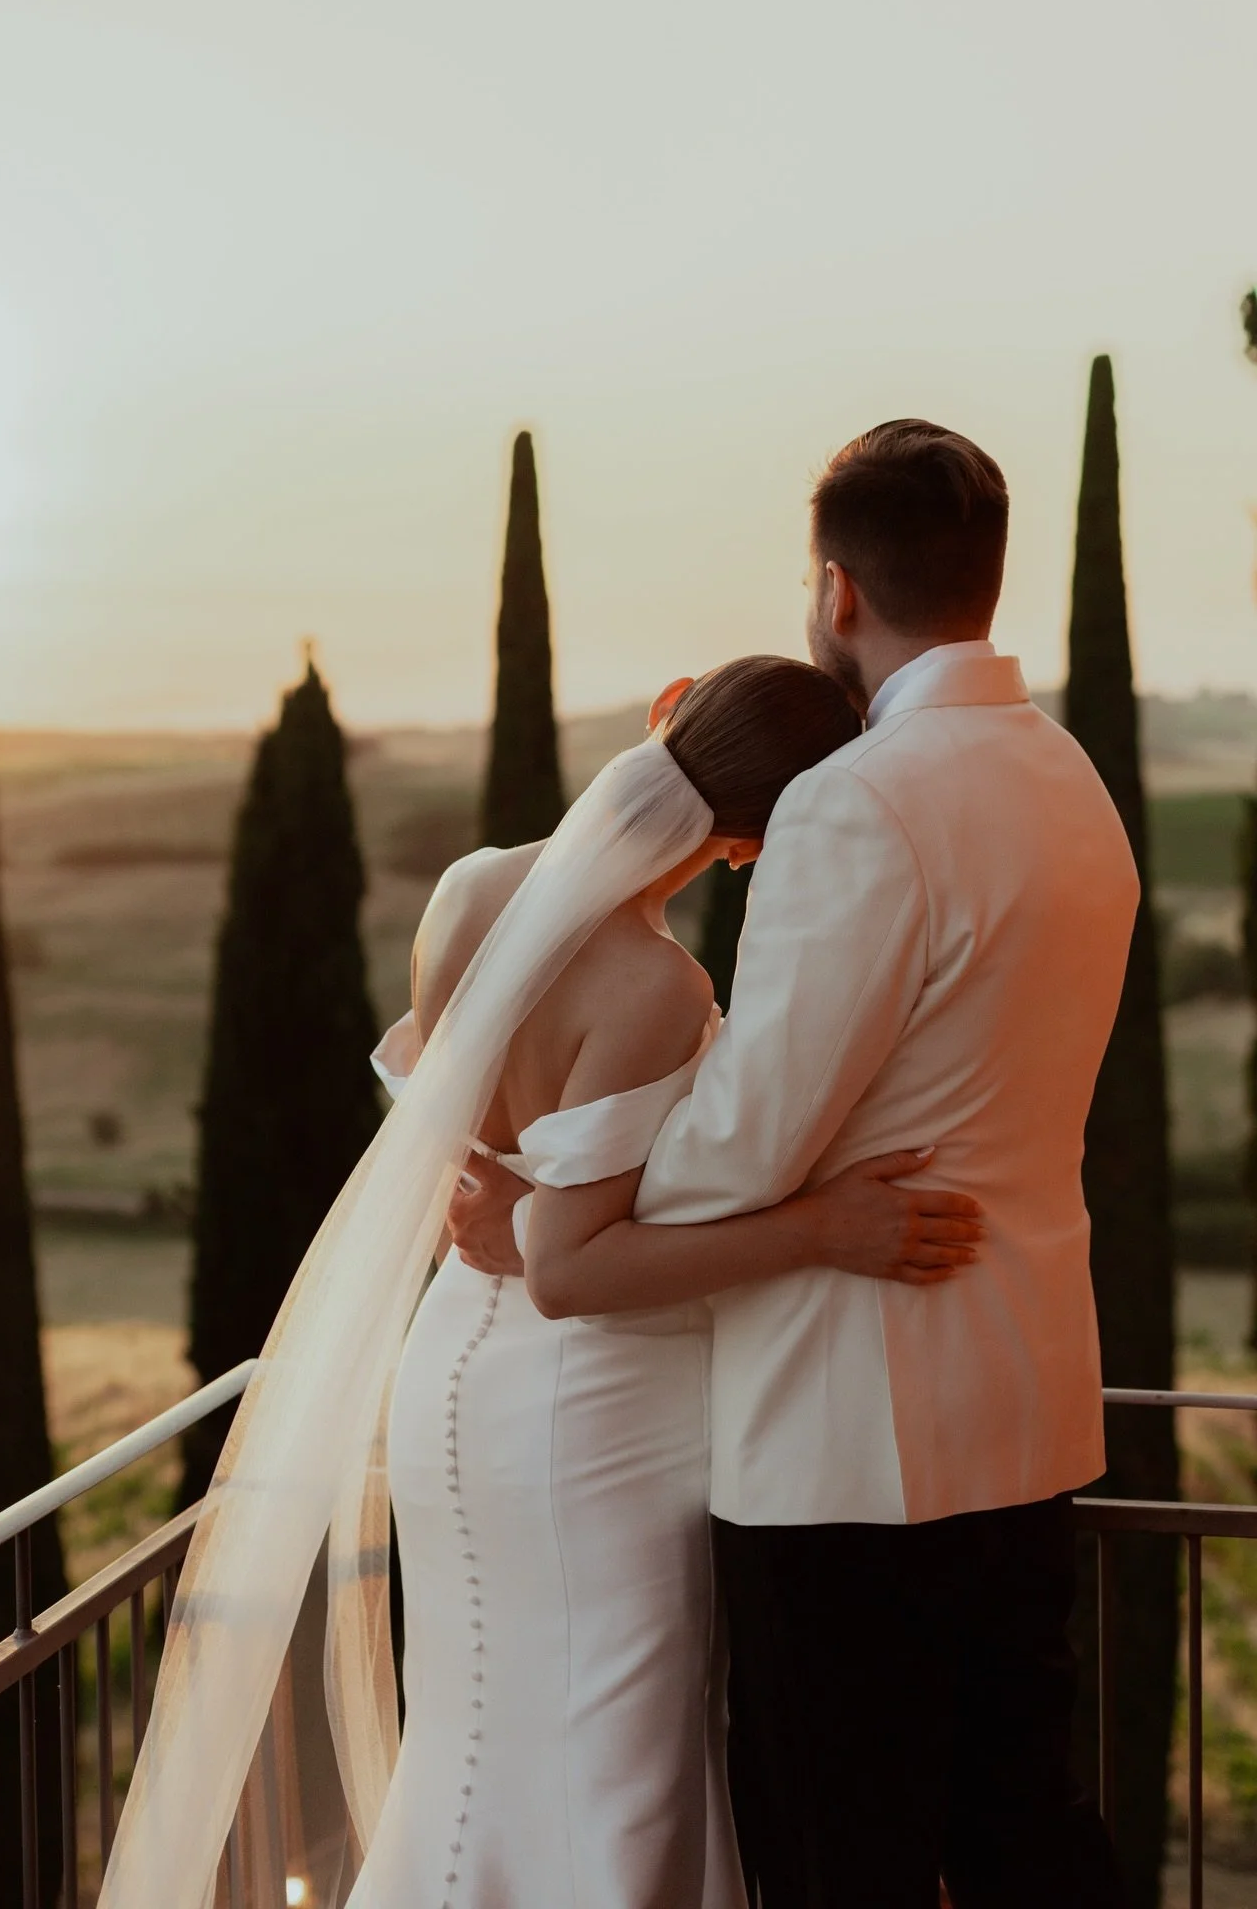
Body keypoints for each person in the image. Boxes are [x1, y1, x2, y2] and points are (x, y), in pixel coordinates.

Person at [450, 420, 1136, 1908]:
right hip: (1023, 1409)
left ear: (836, 591)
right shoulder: (1075, 781)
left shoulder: (857, 800)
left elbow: (748, 1139)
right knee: (1024, 1829)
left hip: (848, 1440)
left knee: (840, 1858)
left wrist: (569, 1198)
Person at [352, 656, 981, 1909]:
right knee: (614, 1764)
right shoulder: (654, 984)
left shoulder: (470, 888)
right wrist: (824, 1229)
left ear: (666, 708)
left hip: (450, 1375)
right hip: (591, 1413)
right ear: (754, 846)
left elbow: (458, 1138)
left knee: (469, 1754)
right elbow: (573, 1270)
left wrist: (519, 1208)